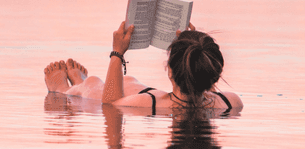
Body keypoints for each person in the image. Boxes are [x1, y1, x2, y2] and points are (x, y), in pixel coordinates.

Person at [44, 21, 243, 114]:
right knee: (129, 81)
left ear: (170, 71)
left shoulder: (145, 104)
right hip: (153, 94)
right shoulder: (231, 102)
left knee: (96, 86)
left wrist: (117, 54)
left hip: (154, 99)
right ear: (215, 74)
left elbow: (110, 103)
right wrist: (192, 47)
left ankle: (65, 89)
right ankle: (80, 81)